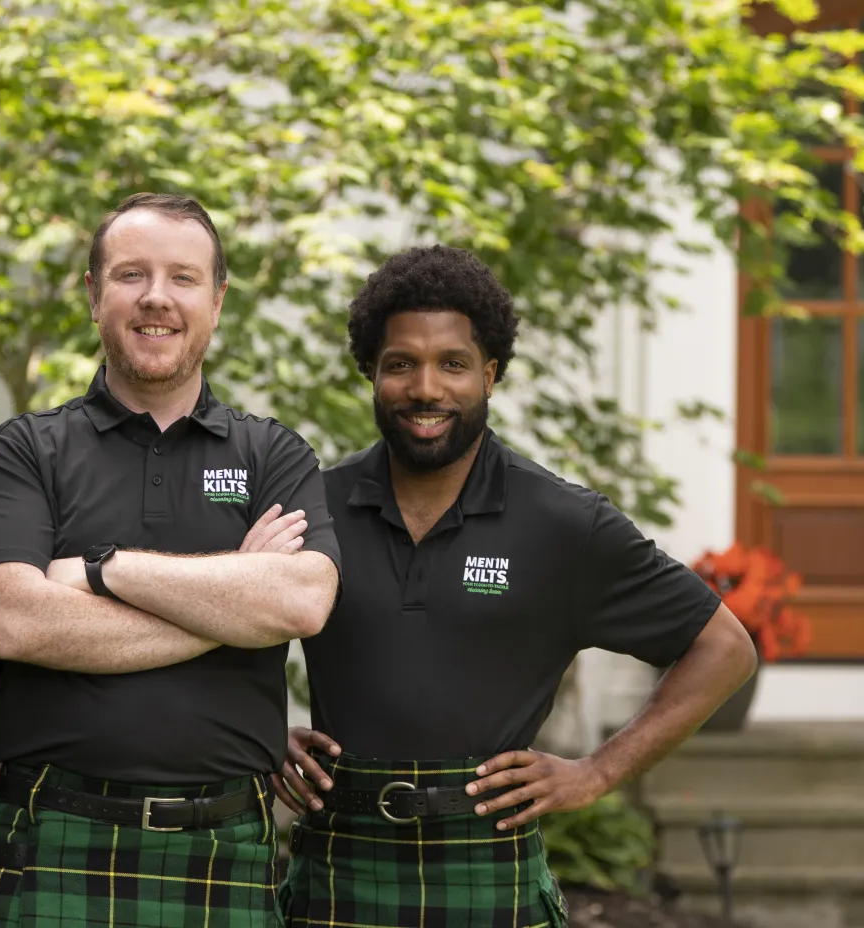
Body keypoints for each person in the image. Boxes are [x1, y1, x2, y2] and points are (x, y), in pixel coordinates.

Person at [270, 246, 757, 928]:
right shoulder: (312, 508)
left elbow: (725, 649)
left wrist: (597, 772)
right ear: (372, 374)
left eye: (453, 364)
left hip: (487, 868)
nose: (426, 389)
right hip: (336, 871)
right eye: (401, 363)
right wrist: (260, 733)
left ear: (491, 374)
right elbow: (222, 632)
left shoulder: (563, 523)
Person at [0, 192, 342, 928]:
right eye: (131, 275)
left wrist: (102, 570)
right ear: (94, 294)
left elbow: (300, 604)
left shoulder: (273, 454)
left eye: (183, 278)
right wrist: (234, 603)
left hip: (227, 849)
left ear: (218, 300)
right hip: (55, 840)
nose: (156, 298)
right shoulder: (25, 451)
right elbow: (15, 623)